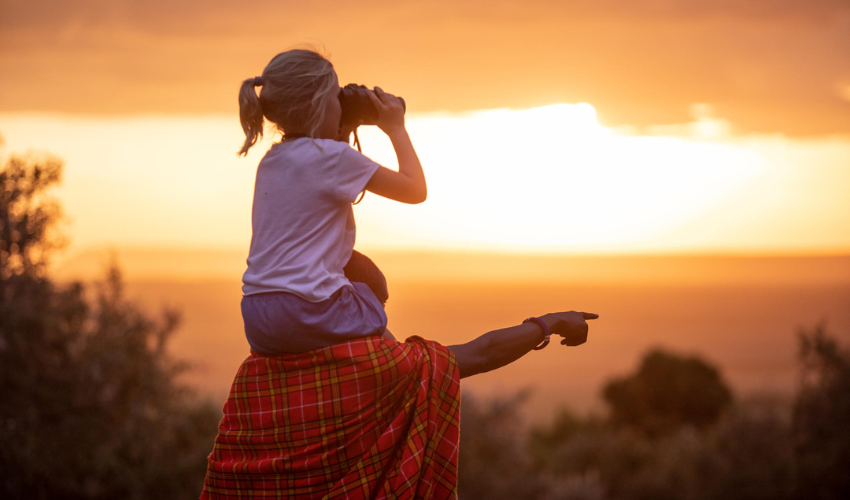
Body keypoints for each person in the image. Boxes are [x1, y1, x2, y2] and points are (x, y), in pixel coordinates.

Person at [201, 252, 598, 499]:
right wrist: (551, 322)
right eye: (376, 304)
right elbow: (483, 352)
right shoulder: (375, 369)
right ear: (348, 302)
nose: (383, 320)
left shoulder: (254, 372)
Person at [236, 49, 425, 355]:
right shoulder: (333, 158)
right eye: (336, 98)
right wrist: (395, 127)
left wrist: (341, 129)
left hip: (258, 317)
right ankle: (396, 368)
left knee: (357, 272)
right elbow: (415, 190)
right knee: (373, 293)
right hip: (305, 311)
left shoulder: (272, 160)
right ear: (317, 105)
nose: (341, 105)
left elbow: (317, 172)